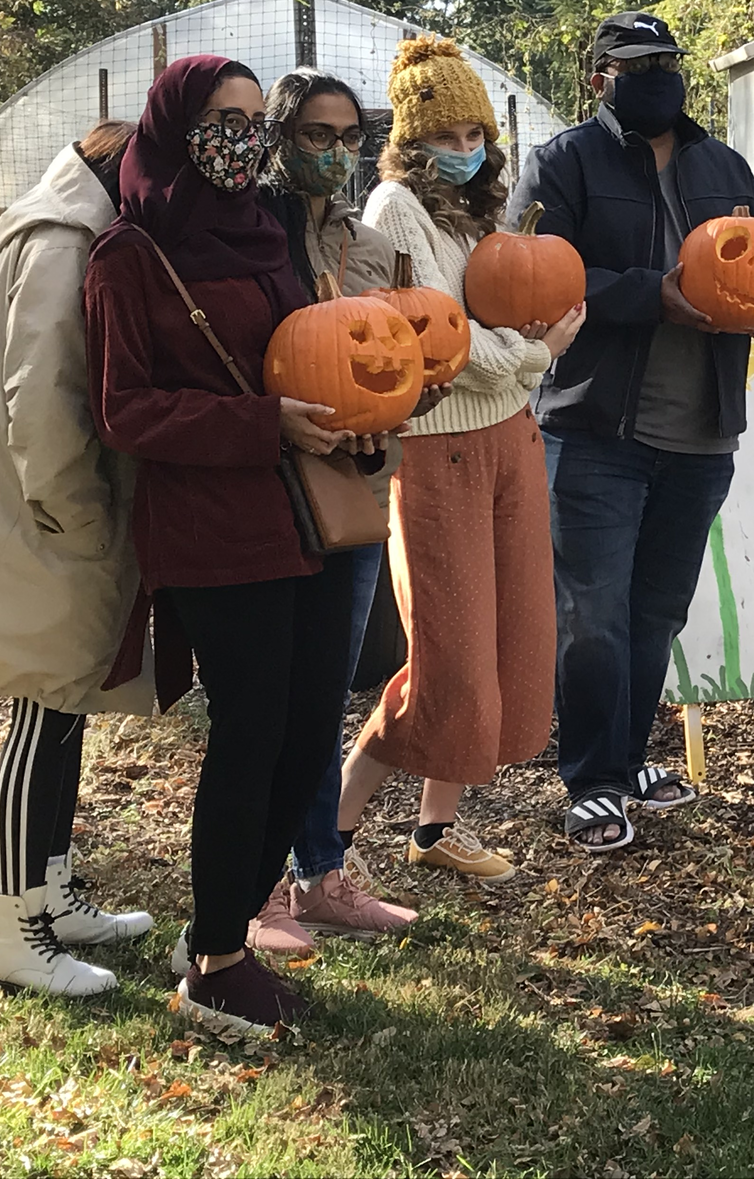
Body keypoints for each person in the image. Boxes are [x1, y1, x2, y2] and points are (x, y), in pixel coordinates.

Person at [85, 55, 376, 1036]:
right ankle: (214, 962)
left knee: (304, 741)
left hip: (305, 517)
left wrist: (353, 413)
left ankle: (226, 926)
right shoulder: (130, 255)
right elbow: (125, 409)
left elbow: (313, 352)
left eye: (255, 120)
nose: (242, 137)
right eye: (222, 117)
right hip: (213, 525)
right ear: (174, 123)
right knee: (251, 738)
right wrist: (264, 426)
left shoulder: (266, 234)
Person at [509, 11, 754, 855]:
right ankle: (593, 782)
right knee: (593, 614)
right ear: (598, 75)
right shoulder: (563, 163)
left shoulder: (724, 165)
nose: (655, 75)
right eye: (633, 65)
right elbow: (535, 279)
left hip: (703, 433)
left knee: (655, 613)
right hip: (596, 425)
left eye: (665, 61)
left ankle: (628, 759)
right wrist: (653, 294)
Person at [336, 36, 582, 883]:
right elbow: (435, 328)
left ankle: (435, 830)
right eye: (447, 135)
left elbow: (510, 306)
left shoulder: (481, 211)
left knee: (516, 638)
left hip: (512, 434)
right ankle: (325, 835)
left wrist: (523, 355)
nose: (466, 149)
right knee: (452, 655)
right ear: (411, 139)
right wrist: (534, 356)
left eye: (475, 134)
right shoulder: (393, 208)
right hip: (437, 446)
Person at [0, 121, 154, 996]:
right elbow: (43, 395)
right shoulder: (64, 239)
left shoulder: (70, 223)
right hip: (38, 509)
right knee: (41, 710)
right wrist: (82, 517)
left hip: (41, 507)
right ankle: (14, 929)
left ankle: (51, 893)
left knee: (63, 702)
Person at [247, 67, 417, 953]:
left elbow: (394, 356)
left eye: (349, 135)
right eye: (317, 135)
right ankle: (256, 885)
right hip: (269, 486)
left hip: (352, 488)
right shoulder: (250, 235)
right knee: (266, 702)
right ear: (280, 139)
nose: (337, 152)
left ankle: (321, 873)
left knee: (321, 697)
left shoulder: (367, 242)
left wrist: (397, 405)